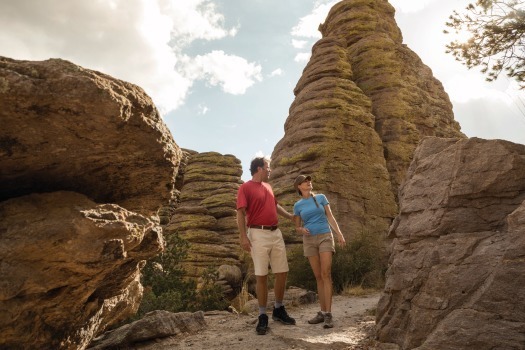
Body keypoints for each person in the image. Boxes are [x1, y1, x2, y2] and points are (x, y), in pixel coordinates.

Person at [236, 156, 296, 335]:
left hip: (275, 232)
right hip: (257, 233)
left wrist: (291, 217)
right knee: (262, 275)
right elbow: (240, 214)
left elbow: (275, 206)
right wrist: (243, 237)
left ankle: (278, 309)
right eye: (268, 167)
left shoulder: (269, 187)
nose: (270, 170)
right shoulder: (245, 187)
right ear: (259, 168)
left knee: (282, 272)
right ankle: (262, 315)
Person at [292, 174, 346, 328]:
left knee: (326, 274)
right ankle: (322, 312)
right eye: (305, 181)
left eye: (309, 181)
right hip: (309, 241)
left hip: (325, 236)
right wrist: (301, 229)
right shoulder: (298, 205)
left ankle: (328, 314)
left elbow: (330, 216)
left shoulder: (321, 197)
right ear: (299, 187)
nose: (309, 182)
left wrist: (339, 234)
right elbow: (296, 227)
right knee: (318, 277)